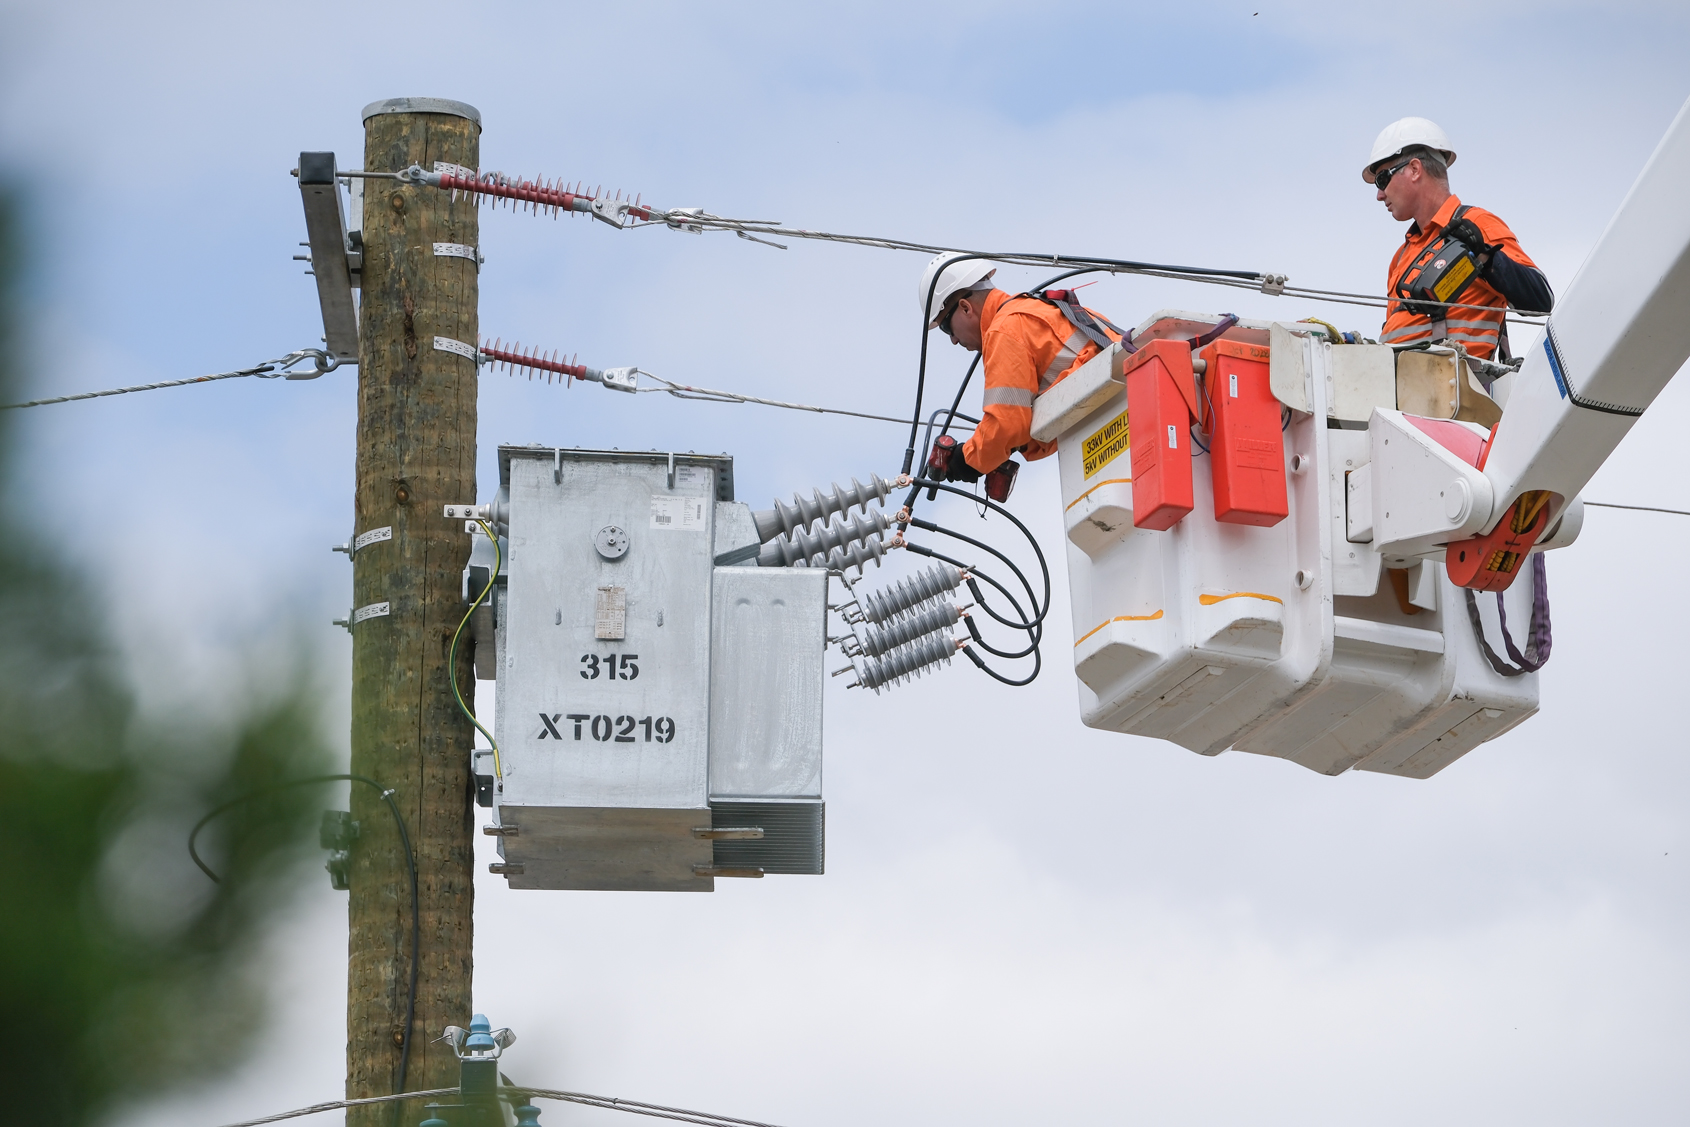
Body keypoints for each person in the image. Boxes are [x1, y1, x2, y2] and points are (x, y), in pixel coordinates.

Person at [920, 255, 1125, 493]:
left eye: (947, 327)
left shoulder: (1004, 329)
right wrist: (1012, 446)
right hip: (1126, 415)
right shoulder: (1041, 308)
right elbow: (1052, 412)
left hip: (1117, 425)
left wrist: (967, 460)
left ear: (966, 308)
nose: (954, 340)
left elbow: (1008, 422)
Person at [1366, 117, 1553, 362]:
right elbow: (1394, 335)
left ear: (1414, 169)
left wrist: (1485, 255)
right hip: (1396, 390)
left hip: (1456, 389)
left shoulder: (1478, 223)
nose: (1379, 195)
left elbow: (1540, 300)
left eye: (1382, 179)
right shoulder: (1401, 256)